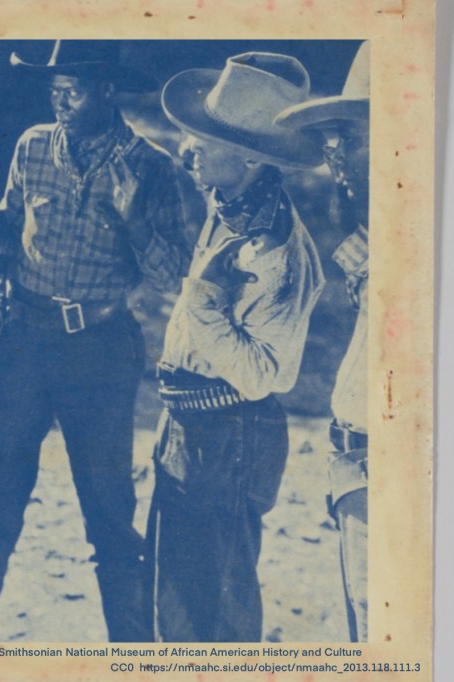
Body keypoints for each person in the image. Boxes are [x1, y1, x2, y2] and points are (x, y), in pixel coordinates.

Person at [0, 40, 192, 642]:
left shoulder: (150, 166)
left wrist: (134, 220)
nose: (59, 94)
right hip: (23, 344)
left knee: (110, 525)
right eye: (54, 84)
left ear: (106, 89)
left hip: (99, 354)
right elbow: (8, 237)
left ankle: (131, 659)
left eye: (73, 83)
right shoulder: (32, 145)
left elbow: (174, 278)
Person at [148, 52, 326, 641]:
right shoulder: (235, 203)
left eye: (203, 140)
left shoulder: (272, 249)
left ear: (251, 157)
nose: (186, 149)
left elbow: (259, 375)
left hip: (229, 437)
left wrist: (201, 300)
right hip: (195, 429)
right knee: (177, 610)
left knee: (217, 619)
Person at [277, 42, 370, 642]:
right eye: (330, 135)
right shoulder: (372, 235)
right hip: (358, 475)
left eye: (350, 135)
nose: (332, 149)